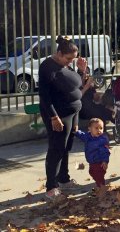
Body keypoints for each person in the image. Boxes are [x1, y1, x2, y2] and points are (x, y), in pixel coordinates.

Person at [39, 35, 85, 201]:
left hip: (72, 113)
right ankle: (51, 187)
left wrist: (81, 70)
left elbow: (76, 85)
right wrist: (53, 117)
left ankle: (63, 178)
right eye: (68, 58)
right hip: (58, 114)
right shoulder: (47, 67)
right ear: (59, 53)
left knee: (66, 148)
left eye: (73, 58)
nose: (71, 61)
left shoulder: (66, 65)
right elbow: (44, 96)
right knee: (56, 148)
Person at [74, 118, 110, 190]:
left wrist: (105, 161)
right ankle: (100, 185)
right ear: (90, 129)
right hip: (92, 162)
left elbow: (105, 151)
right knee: (92, 172)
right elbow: (82, 135)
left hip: (99, 162)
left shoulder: (102, 140)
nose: (99, 130)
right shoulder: (87, 136)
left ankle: (101, 187)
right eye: (96, 128)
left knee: (99, 175)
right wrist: (76, 132)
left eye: (101, 128)